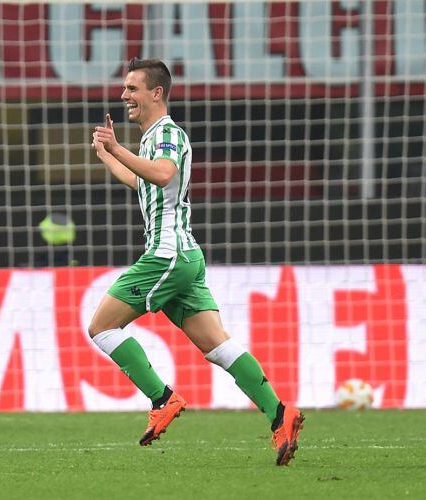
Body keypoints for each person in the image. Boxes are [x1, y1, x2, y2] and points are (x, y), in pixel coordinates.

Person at [88, 59, 304, 466]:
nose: (124, 95)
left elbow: (164, 174)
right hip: (185, 256)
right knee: (217, 345)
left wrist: (118, 148)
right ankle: (281, 415)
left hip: (167, 254)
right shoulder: (152, 137)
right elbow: (143, 182)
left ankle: (161, 398)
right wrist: (108, 155)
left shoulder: (167, 134)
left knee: (101, 326)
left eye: (132, 88)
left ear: (157, 93)